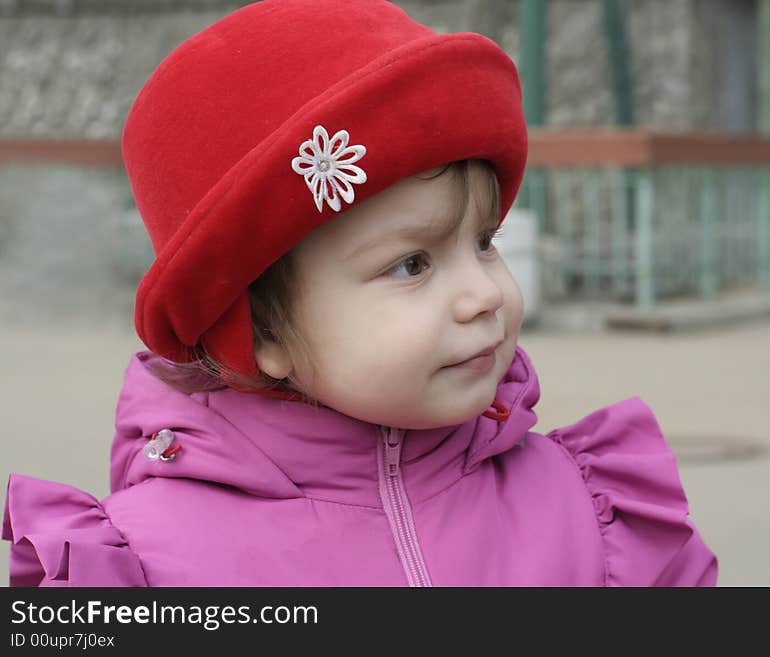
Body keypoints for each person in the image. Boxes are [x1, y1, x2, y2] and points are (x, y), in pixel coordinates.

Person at [2, 0, 717, 587]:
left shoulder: (585, 514)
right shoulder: (152, 567)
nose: (483, 295)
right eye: (412, 264)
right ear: (261, 334)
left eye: (483, 242)